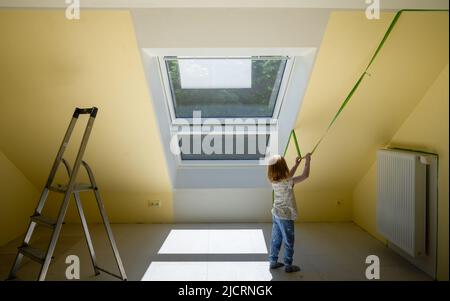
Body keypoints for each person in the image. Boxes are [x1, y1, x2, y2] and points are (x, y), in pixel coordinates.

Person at [267, 153, 311, 273]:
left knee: (275, 239)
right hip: (285, 217)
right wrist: (307, 161)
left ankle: (273, 262)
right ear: (283, 168)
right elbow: (305, 176)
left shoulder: (274, 180)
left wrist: (296, 165)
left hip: (276, 214)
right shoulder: (287, 182)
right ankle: (288, 265)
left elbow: (288, 176)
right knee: (288, 241)